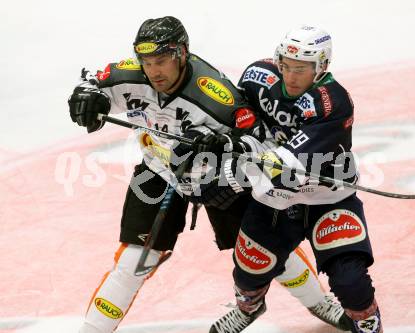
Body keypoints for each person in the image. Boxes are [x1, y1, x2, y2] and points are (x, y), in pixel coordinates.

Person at [68, 17, 348, 333]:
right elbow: (92, 82)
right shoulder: (131, 74)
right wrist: (87, 100)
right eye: (146, 62)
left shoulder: (217, 96)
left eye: (161, 61)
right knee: (133, 261)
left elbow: (256, 139)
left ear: (182, 54)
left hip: (218, 177)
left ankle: (320, 303)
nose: (154, 71)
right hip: (159, 173)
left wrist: (224, 143)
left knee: (262, 249)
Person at [204, 25, 383, 333]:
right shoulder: (257, 77)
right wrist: (216, 138)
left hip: (327, 198)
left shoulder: (332, 101)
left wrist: (233, 174)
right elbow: (232, 113)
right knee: (248, 271)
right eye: (286, 65)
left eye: (301, 69)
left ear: (321, 67)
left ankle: (367, 325)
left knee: (351, 282)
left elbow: (285, 165)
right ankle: (249, 308)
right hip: (274, 201)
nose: (290, 75)